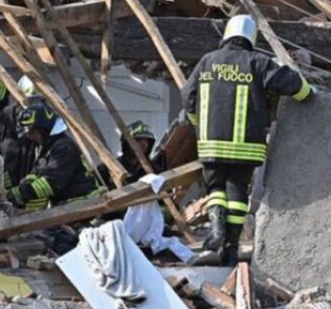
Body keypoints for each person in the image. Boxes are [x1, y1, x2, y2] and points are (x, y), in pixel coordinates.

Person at [182, 15, 315, 266]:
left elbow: (188, 97)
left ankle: (217, 231)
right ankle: (230, 247)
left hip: (211, 143)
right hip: (246, 147)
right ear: (251, 38)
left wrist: (199, 124)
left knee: (215, 189)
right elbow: (292, 83)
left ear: (227, 35)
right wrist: (310, 95)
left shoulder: (207, 61)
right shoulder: (258, 62)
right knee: (237, 192)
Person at [6, 104, 105, 211]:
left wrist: (20, 193)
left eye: (32, 132)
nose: (30, 137)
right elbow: (38, 172)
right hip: (71, 206)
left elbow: (50, 183)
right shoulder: (47, 148)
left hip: (87, 204)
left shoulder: (64, 147)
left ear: (44, 128)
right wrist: (25, 183)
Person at [0, 75, 42, 191]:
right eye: (30, 101)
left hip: (32, 186)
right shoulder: (5, 117)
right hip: (5, 182)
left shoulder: (46, 120)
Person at [98, 120, 164, 189]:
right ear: (126, 143)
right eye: (138, 139)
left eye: (146, 140)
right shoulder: (110, 167)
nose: (144, 143)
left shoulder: (155, 170)